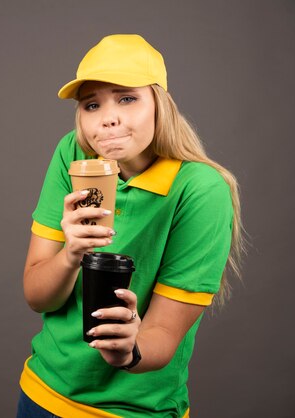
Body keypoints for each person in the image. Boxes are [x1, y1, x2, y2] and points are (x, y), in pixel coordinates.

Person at [16, 34, 244, 418]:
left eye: (126, 98)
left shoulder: (201, 190)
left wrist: (129, 348)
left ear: (160, 104)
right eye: (92, 104)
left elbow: (164, 337)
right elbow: (38, 295)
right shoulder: (73, 154)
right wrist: (71, 254)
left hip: (135, 411)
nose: (108, 117)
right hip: (43, 396)